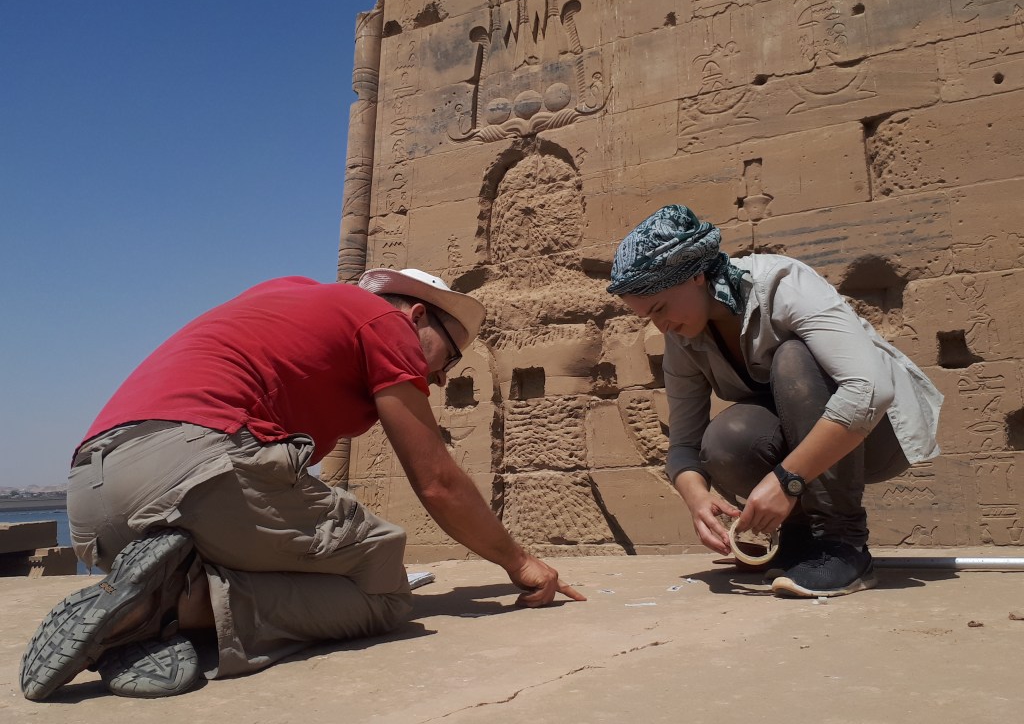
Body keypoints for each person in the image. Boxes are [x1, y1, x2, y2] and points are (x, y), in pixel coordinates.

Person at [21, 268, 585, 702]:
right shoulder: (384, 324)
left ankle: (143, 594)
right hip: (195, 467)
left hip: (93, 501)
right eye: (448, 358)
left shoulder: (286, 296)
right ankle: (168, 609)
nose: (439, 379)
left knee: (286, 540)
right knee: (386, 587)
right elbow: (436, 480)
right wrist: (519, 562)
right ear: (416, 316)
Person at [607, 205, 942, 598]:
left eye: (661, 308)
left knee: (793, 359)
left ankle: (842, 544)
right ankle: (800, 540)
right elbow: (684, 445)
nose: (661, 326)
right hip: (812, 454)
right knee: (726, 440)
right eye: (648, 317)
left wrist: (788, 480)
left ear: (696, 274)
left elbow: (869, 389)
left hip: (878, 436)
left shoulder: (780, 284)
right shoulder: (682, 336)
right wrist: (696, 498)